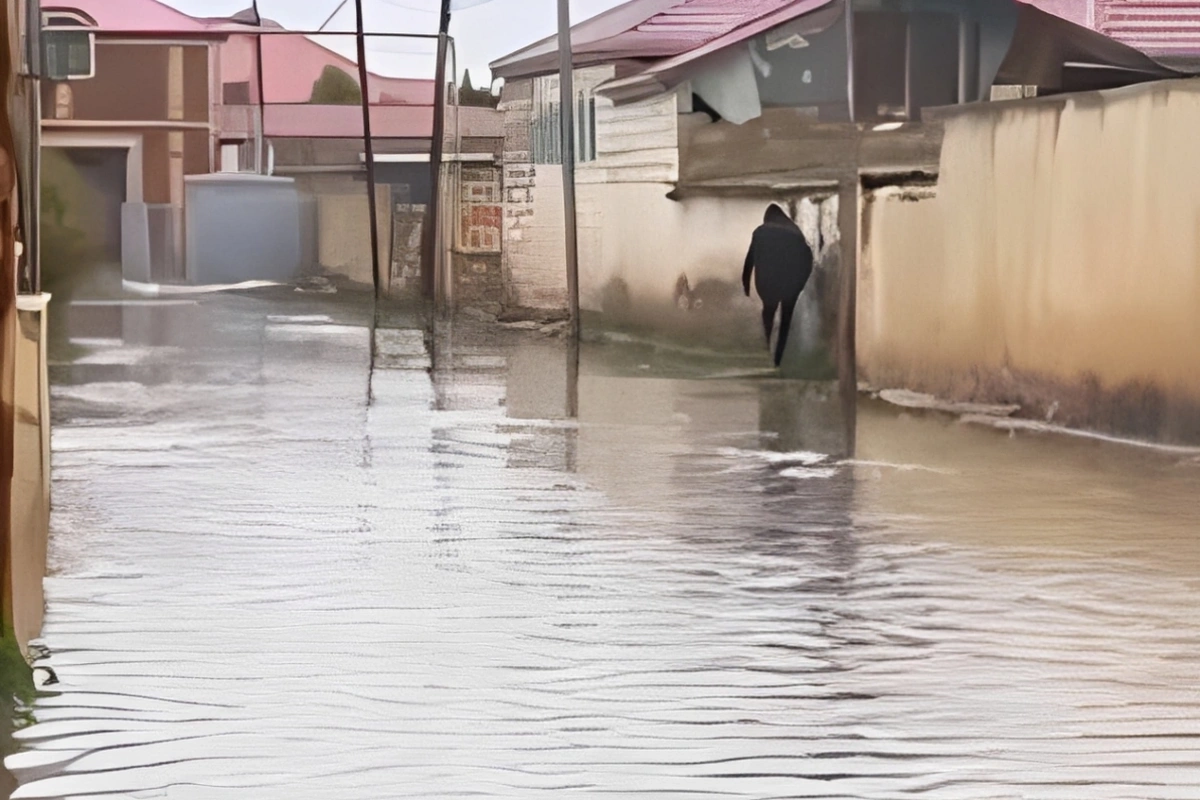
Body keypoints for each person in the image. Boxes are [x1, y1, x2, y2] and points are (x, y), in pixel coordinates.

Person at [742, 203, 815, 367]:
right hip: (792, 281)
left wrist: (745, 285)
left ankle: (766, 347)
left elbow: (749, 261)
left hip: (768, 283)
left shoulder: (760, 232)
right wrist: (800, 284)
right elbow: (807, 256)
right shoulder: (796, 232)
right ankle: (778, 359)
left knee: (768, 311)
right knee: (786, 321)